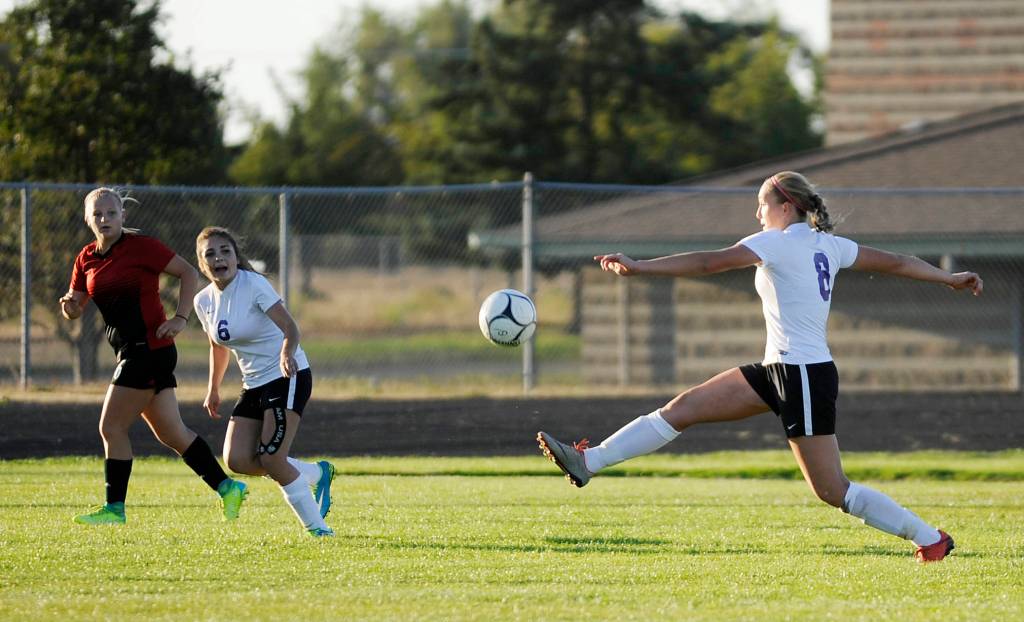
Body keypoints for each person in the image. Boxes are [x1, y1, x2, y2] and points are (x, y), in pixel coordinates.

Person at [537, 171, 983, 563]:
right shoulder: (830, 245)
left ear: (785, 206)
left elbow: (710, 261)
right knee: (683, 408)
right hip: (778, 371)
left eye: (761, 206)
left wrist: (639, 267)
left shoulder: (778, 242)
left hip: (803, 376)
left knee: (832, 490)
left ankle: (930, 539)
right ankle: (588, 461)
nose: (757, 215)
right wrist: (947, 277)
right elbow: (898, 261)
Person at [61, 187, 248, 525]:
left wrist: (180, 317)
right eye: (98, 214)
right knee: (172, 434)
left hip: (148, 350)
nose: (105, 219)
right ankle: (227, 487)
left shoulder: (142, 247)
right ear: (87, 219)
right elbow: (75, 307)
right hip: (131, 351)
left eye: (111, 213)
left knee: (110, 427)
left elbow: (189, 273)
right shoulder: (85, 258)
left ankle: (114, 509)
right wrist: (71, 308)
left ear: (123, 216)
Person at [193, 226, 335, 537]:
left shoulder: (254, 284)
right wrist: (213, 388)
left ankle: (319, 530)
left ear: (235, 256)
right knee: (238, 460)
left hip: (287, 375)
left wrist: (287, 353)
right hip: (253, 384)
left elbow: (291, 327)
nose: (219, 258)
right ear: (203, 265)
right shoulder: (203, 301)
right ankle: (315, 472)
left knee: (271, 458)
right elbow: (218, 346)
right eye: (210, 254)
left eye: (225, 251)